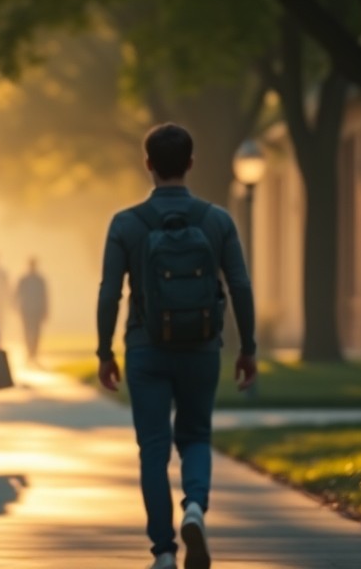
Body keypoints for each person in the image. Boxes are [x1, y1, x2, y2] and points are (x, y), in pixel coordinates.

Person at [95, 124, 258, 569]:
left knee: (153, 447)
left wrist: (104, 351)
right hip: (202, 348)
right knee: (195, 436)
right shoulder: (218, 220)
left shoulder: (126, 224)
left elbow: (110, 291)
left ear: (147, 164)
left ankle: (164, 551)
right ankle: (194, 508)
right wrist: (249, 346)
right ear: (190, 163)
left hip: (146, 348)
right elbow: (240, 285)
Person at [15, 256, 50, 366]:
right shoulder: (24, 279)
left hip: (37, 309)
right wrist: (17, 307)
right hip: (26, 309)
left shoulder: (40, 280)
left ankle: (33, 352)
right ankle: (30, 352)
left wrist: (45, 310)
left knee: (36, 332)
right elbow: (17, 294)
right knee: (27, 332)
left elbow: (45, 296)